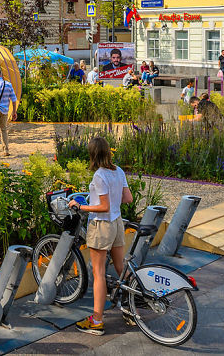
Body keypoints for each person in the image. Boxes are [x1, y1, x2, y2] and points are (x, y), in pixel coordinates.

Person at [68, 136, 133, 336]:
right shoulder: (118, 171)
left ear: (93, 154)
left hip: (101, 225)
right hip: (116, 223)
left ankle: (96, 321)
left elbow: (103, 207)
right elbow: (127, 198)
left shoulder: (99, 175)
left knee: (98, 273)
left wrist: (80, 206)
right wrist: (112, 201)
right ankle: (132, 306)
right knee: (121, 268)